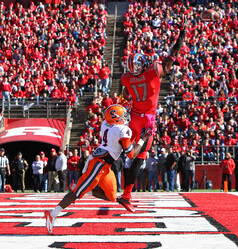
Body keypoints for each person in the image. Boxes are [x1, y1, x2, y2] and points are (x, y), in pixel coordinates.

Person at [45, 104, 152, 234]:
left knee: (112, 196)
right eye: (122, 116)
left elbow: (114, 121)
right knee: (76, 193)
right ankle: (52, 214)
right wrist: (142, 140)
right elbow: (131, 155)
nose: (125, 117)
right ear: (116, 119)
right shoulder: (122, 130)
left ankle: (86, 190)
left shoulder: (106, 123)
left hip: (104, 165)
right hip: (98, 165)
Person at [118, 16, 188, 208]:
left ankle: (117, 171)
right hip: (147, 120)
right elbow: (172, 55)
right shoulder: (153, 71)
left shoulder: (126, 78)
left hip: (133, 117)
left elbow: (126, 95)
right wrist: (181, 35)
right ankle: (126, 194)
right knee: (139, 158)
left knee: (124, 152)